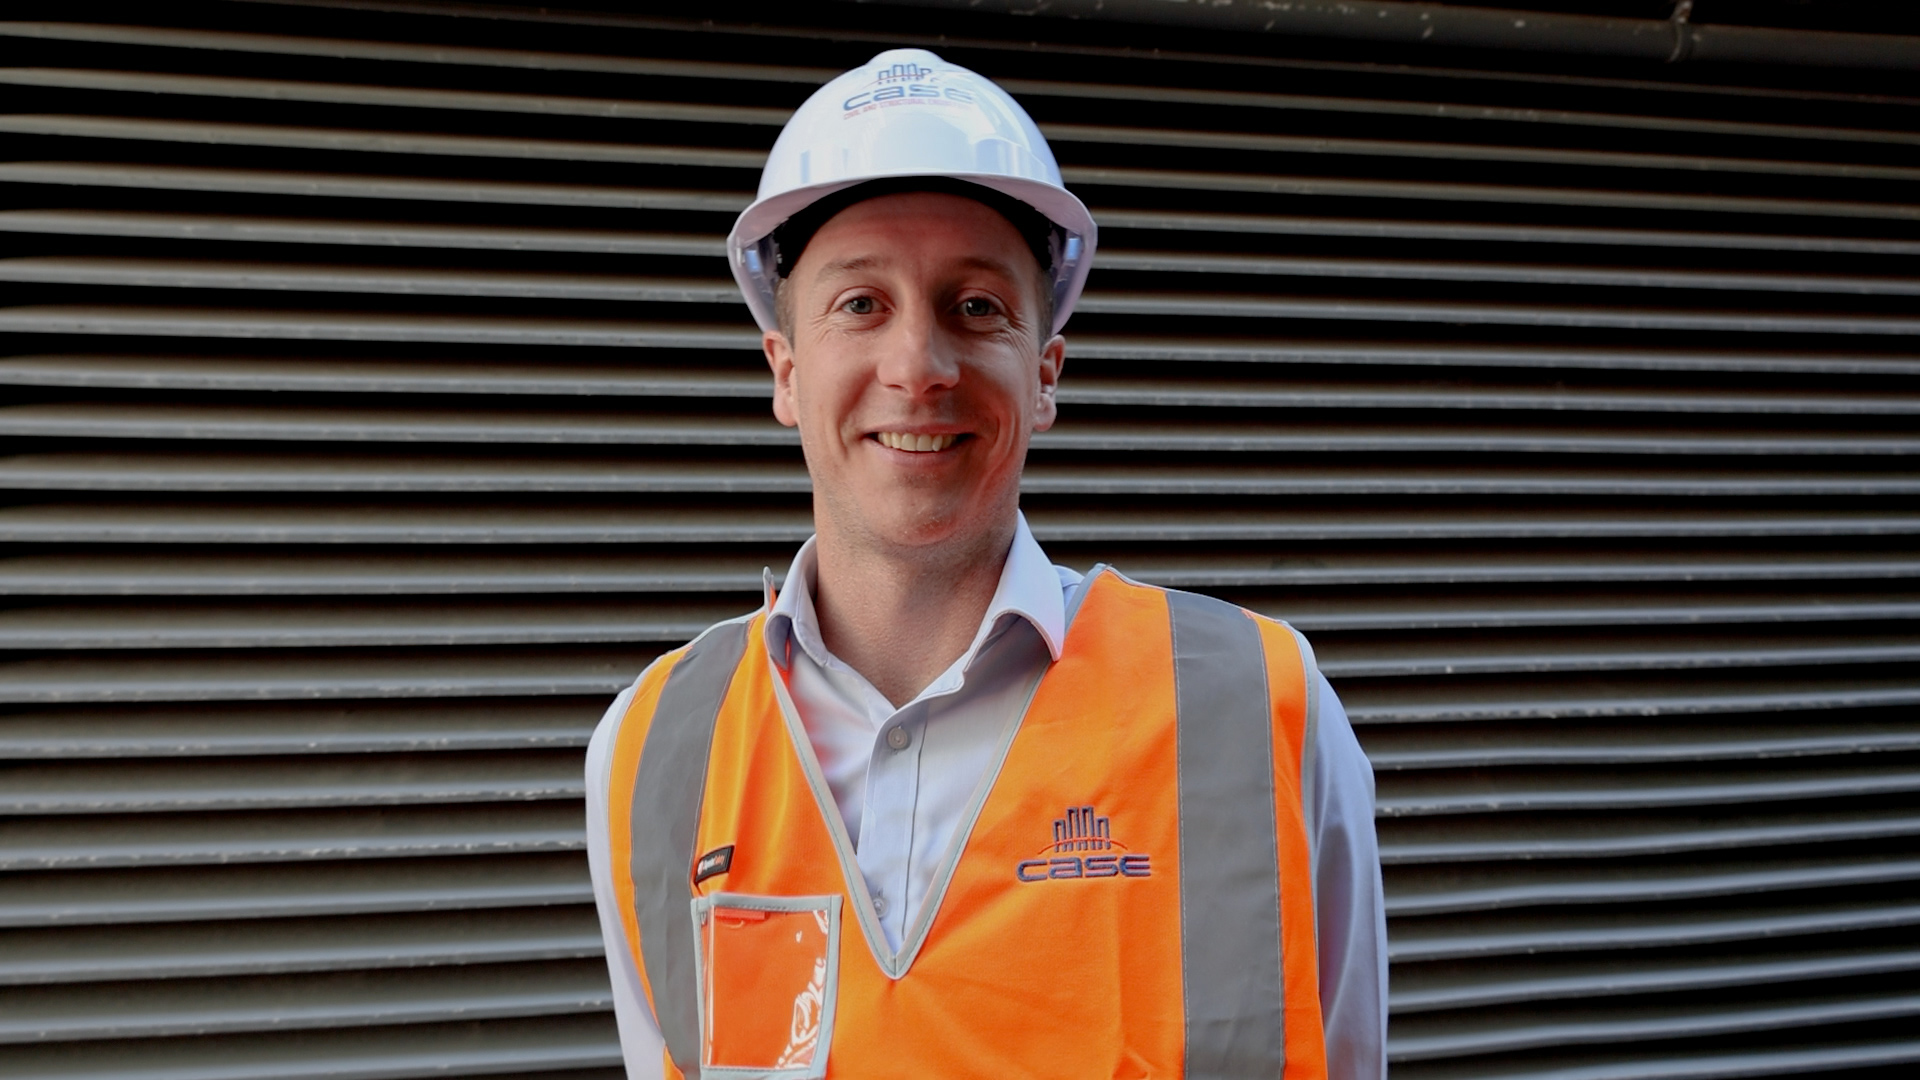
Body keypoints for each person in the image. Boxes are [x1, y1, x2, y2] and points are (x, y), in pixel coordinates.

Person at [586, 48, 1386, 1080]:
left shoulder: (1261, 706)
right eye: (860, 304)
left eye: (976, 307)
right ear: (786, 371)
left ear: (1044, 374)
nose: (919, 367)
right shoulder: (652, 751)